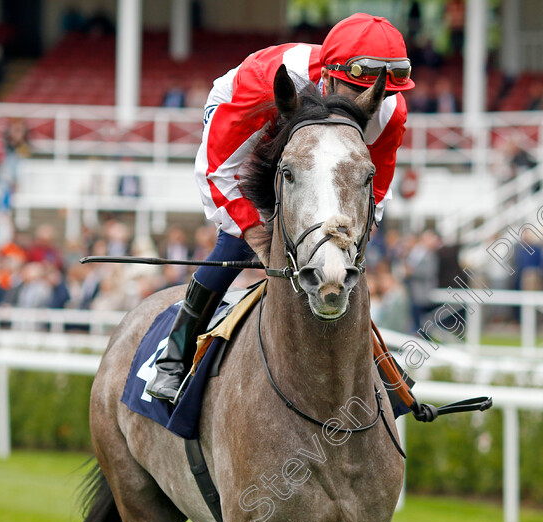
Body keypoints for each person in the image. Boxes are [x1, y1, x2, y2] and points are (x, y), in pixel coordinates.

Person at [146, 13, 415, 402]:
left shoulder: (389, 110)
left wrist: (350, 241)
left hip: (314, 132)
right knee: (236, 243)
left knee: (344, 255)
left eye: (380, 95)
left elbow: (375, 188)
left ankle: (377, 364)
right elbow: (216, 171)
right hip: (258, 119)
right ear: (329, 74)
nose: (368, 105)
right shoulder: (262, 82)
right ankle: (175, 356)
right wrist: (257, 235)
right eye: (357, 90)